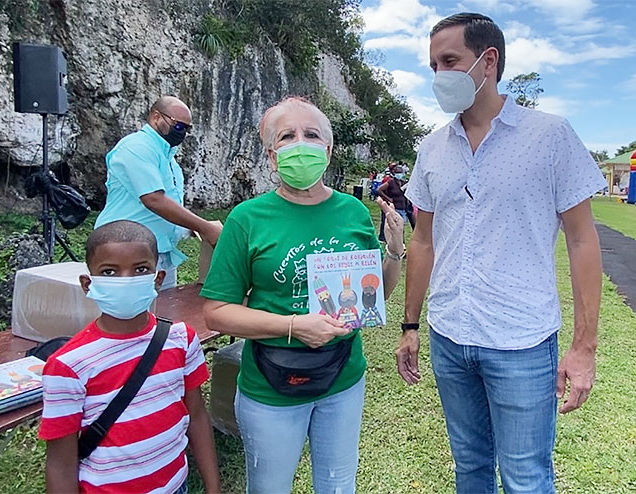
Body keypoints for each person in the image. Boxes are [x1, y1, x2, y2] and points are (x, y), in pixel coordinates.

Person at [395, 13, 606, 494]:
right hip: (449, 336)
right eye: (432, 66)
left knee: (525, 477)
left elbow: (581, 239)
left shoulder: (549, 137)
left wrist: (584, 346)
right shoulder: (432, 149)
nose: (438, 77)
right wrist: (410, 326)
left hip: (522, 342)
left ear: (487, 61)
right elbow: (423, 240)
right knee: (469, 467)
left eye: (450, 61)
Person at [200, 96, 405, 494]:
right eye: (287, 136)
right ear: (272, 156)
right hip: (271, 386)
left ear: (327, 151)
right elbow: (216, 312)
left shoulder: (353, 212)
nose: (300, 143)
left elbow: (372, 297)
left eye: (311, 135)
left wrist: (394, 250)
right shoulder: (247, 219)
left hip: (343, 377)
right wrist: (294, 326)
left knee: (338, 485)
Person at [39, 220, 221, 494]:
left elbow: (196, 416)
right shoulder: (68, 365)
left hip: (175, 486)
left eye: (140, 269)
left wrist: (213, 487)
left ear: (157, 279)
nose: (126, 280)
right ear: (88, 284)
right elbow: (61, 463)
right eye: (109, 271)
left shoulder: (181, 340)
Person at [94, 96, 223, 290]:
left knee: (163, 312)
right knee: (130, 313)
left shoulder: (169, 158)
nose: (182, 134)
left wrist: (191, 229)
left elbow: (170, 205)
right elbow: (153, 199)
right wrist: (205, 228)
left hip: (159, 252)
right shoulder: (137, 147)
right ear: (156, 117)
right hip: (126, 251)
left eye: (187, 129)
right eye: (178, 126)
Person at [376, 163, 409, 242]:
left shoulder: (404, 183)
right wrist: (388, 199)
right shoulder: (390, 182)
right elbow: (379, 190)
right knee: (393, 225)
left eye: (401, 173)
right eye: (398, 173)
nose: (399, 175)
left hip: (402, 206)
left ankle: (400, 241)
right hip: (393, 206)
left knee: (402, 226)